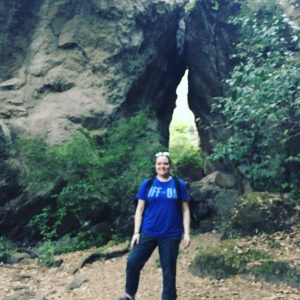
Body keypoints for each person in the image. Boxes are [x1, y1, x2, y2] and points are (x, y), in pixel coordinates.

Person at [119, 151, 191, 300]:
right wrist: (136, 233)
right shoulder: (148, 183)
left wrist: (187, 233)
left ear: (169, 165)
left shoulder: (178, 184)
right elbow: (139, 210)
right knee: (133, 261)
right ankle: (129, 294)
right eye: (159, 163)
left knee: (169, 270)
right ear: (155, 165)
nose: (162, 166)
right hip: (148, 232)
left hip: (171, 234)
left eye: (165, 163)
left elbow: (185, 210)